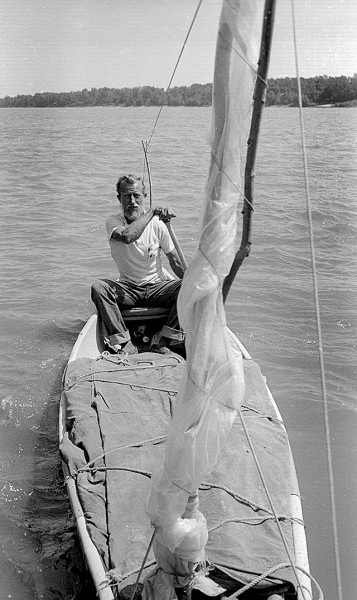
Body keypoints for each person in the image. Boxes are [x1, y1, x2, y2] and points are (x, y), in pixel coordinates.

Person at [91, 174, 185, 354]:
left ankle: (164, 341)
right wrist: (152, 212)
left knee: (189, 287)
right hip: (128, 289)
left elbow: (175, 262)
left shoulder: (158, 225)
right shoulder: (114, 222)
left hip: (157, 287)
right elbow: (128, 236)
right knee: (99, 288)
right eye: (127, 196)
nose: (132, 201)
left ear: (144, 196)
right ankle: (125, 343)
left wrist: (198, 285)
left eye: (136, 196)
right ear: (119, 198)